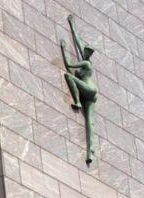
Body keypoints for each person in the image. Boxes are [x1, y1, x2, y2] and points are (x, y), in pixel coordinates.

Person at [61, 15, 98, 165]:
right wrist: (72, 24)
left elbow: (69, 66)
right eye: (86, 50)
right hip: (90, 93)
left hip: (89, 90)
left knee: (69, 77)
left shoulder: (86, 64)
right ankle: (91, 151)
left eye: (88, 51)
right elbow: (77, 40)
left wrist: (63, 49)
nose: (85, 51)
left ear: (89, 54)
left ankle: (77, 102)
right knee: (90, 122)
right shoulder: (85, 59)